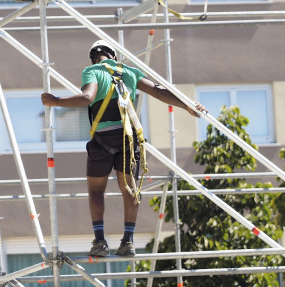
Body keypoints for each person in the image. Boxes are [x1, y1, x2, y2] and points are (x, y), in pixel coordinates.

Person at [40, 40, 207, 257]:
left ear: (93, 57)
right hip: (129, 139)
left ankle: (100, 241)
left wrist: (55, 101)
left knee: (96, 190)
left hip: (103, 140)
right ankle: (128, 241)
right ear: (114, 56)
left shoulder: (91, 71)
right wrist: (187, 105)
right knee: (129, 189)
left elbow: (87, 97)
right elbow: (159, 91)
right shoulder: (129, 72)